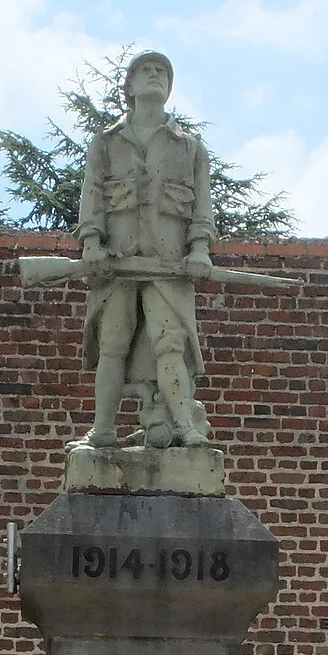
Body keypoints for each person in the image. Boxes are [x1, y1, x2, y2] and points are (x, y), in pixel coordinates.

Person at [75, 51, 216, 449]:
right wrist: (91, 242)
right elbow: (93, 196)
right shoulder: (105, 142)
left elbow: (202, 205)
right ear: (130, 86)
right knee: (112, 343)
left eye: (162, 73)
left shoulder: (189, 148)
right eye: (146, 71)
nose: (154, 77)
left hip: (168, 262)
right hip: (116, 260)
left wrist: (200, 249)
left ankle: (185, 424)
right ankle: (103, 429)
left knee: (169, 341)